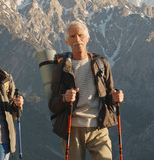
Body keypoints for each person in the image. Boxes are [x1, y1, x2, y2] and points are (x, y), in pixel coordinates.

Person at [49, 20, 124, 160]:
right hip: (72, 129)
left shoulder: (101, 64)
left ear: (87, 38)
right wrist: (64, 98)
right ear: (67, 42)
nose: (77, 39)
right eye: (72, 37)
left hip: (99, 128)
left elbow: (108, 95)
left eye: (80, 35)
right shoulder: (61, 68)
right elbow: (53, 104)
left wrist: (115, 97)